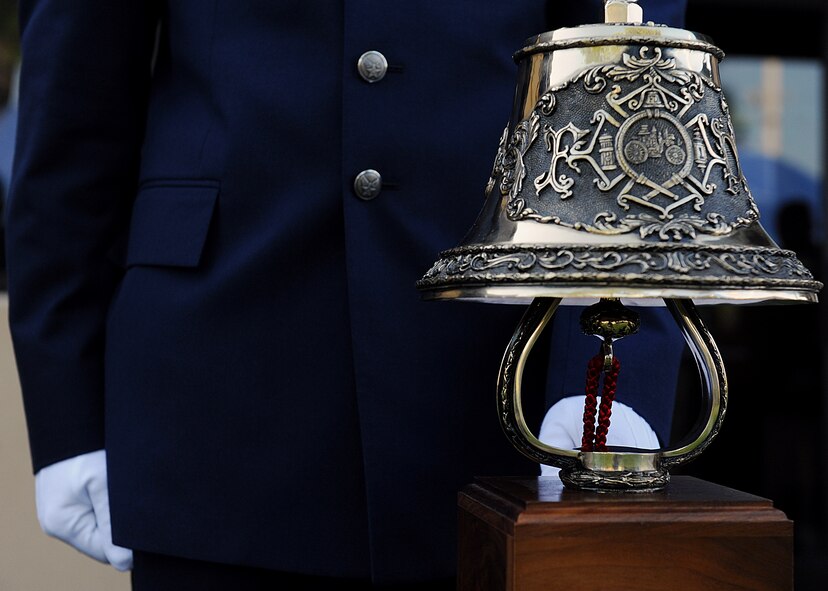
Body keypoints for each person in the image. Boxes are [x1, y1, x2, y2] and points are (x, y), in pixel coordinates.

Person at [6, 1, 688, 589]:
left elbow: (629, 67)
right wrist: (66, 407)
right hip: (216, 401)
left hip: (497, 389)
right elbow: (73, 110)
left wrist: (604, 380)